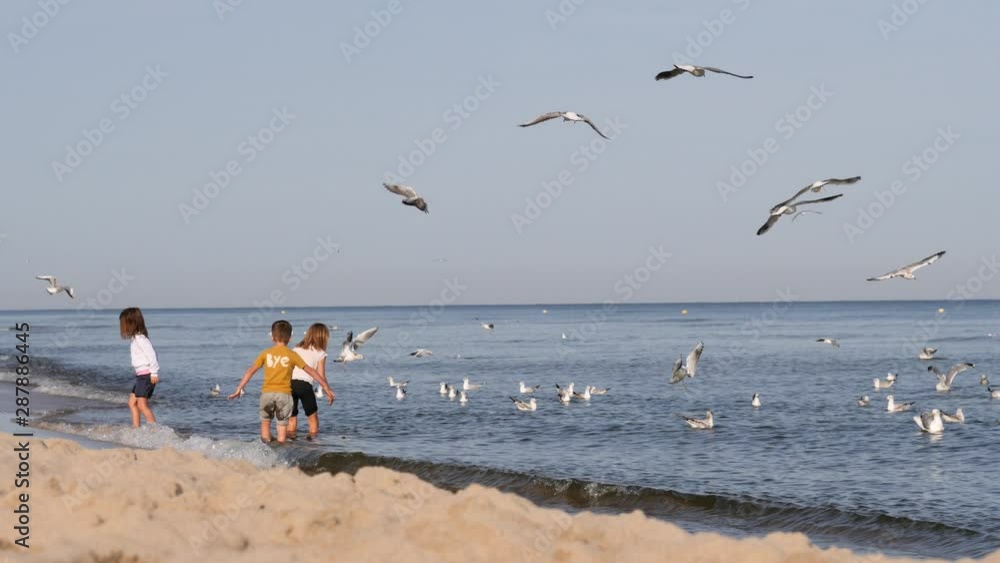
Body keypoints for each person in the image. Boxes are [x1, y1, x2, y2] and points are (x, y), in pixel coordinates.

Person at [229, 320, 332, 443]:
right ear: (289, 338)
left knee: (277, 421)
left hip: (277, 390)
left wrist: (239, 387)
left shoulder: (276, 352)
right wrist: (326, 388)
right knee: (300, 421)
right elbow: (314, 372)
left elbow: (251, 370)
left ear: (272, 337)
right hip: (292, 391)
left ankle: (271, 445)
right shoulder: (298, 354)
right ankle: (299, 445)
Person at [289, 323, 335, 438]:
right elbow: (321, 375)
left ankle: (290, 442)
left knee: (291, 418)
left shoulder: (296, 349)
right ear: (323, 337)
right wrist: (327, 390)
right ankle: (313, 443)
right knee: (312, 418)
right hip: (305, 386)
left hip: (289, 384)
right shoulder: (320, 353)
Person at [119, 307, 159, 428]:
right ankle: (136, 428)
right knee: (132, 403)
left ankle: (155, 431)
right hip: (141, 376)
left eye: (123, 323)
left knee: (142, 405)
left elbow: (152, 355)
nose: (122, 327)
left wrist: (154, 373)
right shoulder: (135, 338)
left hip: (147, 376)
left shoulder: (141, 339)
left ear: (131, 323)